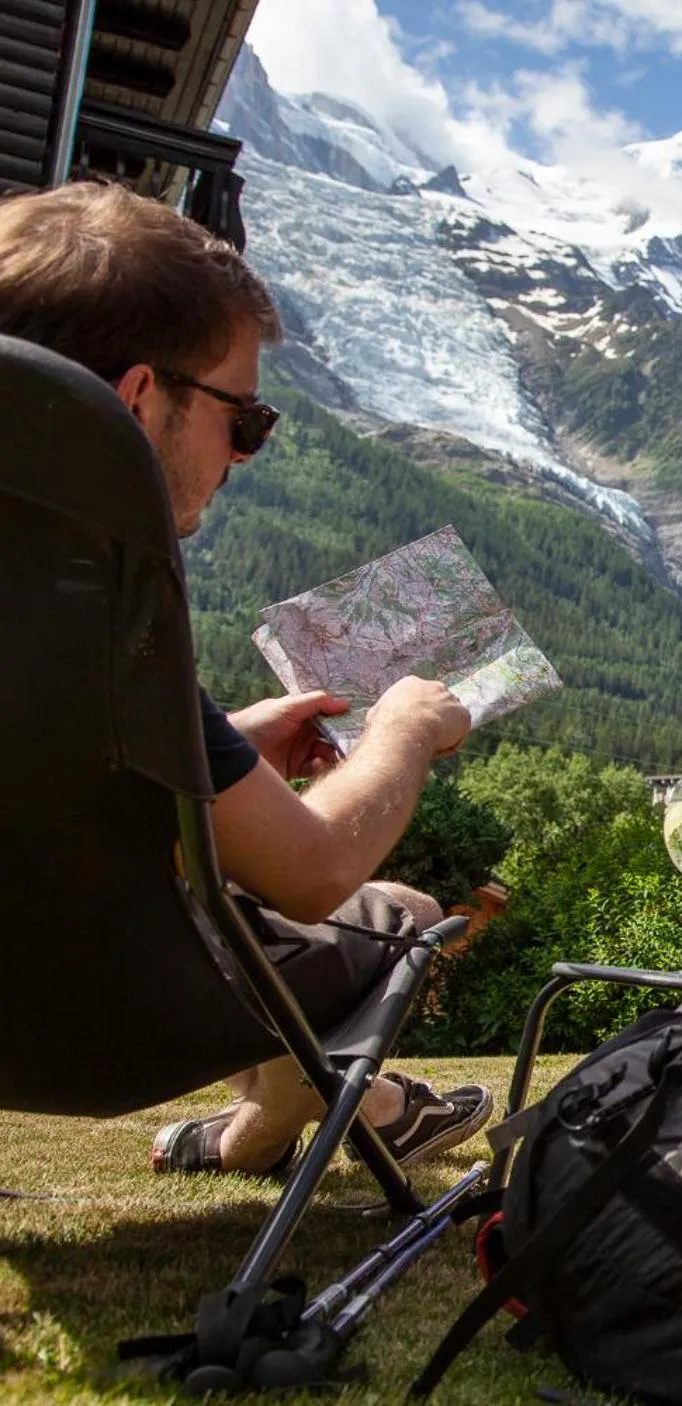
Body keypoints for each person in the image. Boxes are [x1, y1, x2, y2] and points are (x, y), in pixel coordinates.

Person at [0, 182, 492, 1176]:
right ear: (139, 398)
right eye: (244, 418)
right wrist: (403, 727)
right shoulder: (100, 609)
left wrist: (212, 741)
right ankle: (313, 1106)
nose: (243, 455)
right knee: (390, 909)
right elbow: (311, 869)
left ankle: (270, 1125)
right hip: (94, 1022)